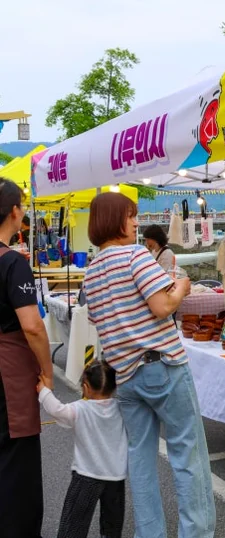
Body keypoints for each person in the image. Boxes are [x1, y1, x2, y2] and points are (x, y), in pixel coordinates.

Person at [83, 192, 215, 538]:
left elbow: (100, 319)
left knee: (140, 463)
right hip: (162, 365)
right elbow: (162, 306)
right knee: (187, 456)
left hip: (124, 376)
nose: (135, 223)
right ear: (114, 220)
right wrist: (183, 287)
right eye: (130, 216)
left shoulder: (91, 272)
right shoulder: (135, 256)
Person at [0, 177, 53, 537]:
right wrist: (48, 372)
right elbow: (32, 326)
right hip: (8, 373)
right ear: (15, 212)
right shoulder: (13, 263)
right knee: (15, 461)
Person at [38, 360, 127, 538]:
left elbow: (57, 410)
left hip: (87, 476)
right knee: (112, 526)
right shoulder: (122, 408)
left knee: (73, 525)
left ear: (86, 387)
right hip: (116, 476)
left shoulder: (81, 409)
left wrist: (44, 391)